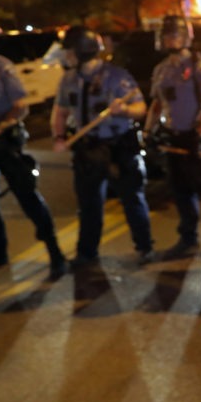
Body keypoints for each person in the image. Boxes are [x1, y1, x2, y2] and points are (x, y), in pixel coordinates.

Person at [0, 14, 67, 279]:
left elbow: (21, 106)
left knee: (27, 196)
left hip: (4, 142)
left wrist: (1, 125)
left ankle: (54, 251)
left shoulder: (0, 66)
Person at [51, 25, 155, 269]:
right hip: (88, 150)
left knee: (132, 199)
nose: (67, 56)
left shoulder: (117, 77)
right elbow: (61, 111)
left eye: (70, 51)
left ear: (81, 51)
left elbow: (141, 109)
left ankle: (145, 246)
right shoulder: (68, 79)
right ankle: (86, 253)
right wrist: (58, 136)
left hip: (119, 149)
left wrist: (124, 109)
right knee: (89, 205)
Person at [144, 15, 201, 258]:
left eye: (174, 35)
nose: (170, 40)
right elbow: (156, 103)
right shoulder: (162, 69)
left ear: (186, 36)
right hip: (173, 139)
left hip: (196, 138)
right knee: (181, 190)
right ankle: (188, 238)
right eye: (167, 35)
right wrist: (147, 130)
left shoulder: (200, 67)